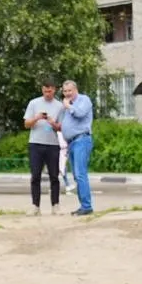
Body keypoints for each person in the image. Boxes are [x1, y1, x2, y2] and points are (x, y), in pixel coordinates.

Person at [22, 78, 64, 214]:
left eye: (50, 91)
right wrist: (37, 118)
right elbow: (26, 124)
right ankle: (35, 206)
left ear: (54, 90)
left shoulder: (60, 106)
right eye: (45, 91)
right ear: (42, 90)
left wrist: (52, 122)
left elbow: (61, 127)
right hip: (35, 143)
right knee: (35, 176)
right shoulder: (34, 103)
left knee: (54, 176)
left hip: (52, 144)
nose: (47, 93)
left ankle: (55, 205)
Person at [61, 80, 96, 216]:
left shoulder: (84, 100)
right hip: (71, 143)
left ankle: (87, 206)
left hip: (82, 139)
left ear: (75, 89)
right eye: (65, 91)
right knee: (76, 175)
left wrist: (69, 106)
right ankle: (83, 206)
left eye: (70, 90)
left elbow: (80, 113)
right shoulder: (67, 105)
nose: (67, 93)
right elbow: (65, 123)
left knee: (80, 173)